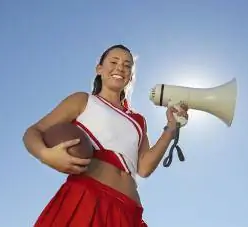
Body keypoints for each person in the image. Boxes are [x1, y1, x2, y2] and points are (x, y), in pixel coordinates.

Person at [23, 44, 189, 227]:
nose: (120, 68)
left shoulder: (138, 120)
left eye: (127, 65)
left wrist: (171, 128)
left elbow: (144, 168)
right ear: (99, 69)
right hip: (86, 199)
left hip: (129, 212)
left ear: (130, 76)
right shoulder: (84, 100)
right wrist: (45, 155)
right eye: (114, 61)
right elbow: (34, 132)